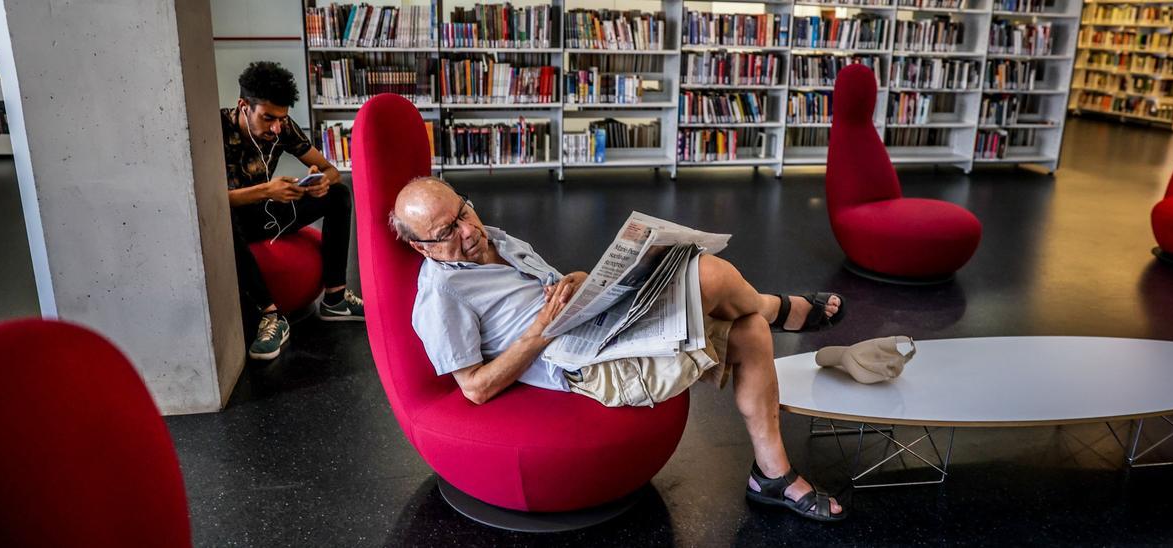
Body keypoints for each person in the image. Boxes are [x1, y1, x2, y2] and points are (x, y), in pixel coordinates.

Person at [391, 177, 849, 522]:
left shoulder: (494, 239)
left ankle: (772, 475)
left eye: (463, 212)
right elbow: (474, 388)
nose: (468, 231)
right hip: (582, 365)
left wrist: (576, 282)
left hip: (591, 326)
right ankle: (778, 307)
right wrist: (540, 331)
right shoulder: (441, 295)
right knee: (709, 275)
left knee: (748, 330)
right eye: (447, 231)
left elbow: (547, 294)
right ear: (421, 247)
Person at [222, 61, 365, 360]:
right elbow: (206, 202)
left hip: (269, 211)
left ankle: (335, 299)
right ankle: (271, 315)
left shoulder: (282, 127)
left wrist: (319, 181)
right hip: (234, 219)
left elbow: (331, 169)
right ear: (243, 106)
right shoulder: (215, 131)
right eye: (267, 118)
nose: (275, 128)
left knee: (338, 194)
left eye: (281, 119)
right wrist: (266, 190)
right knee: (224, 221)